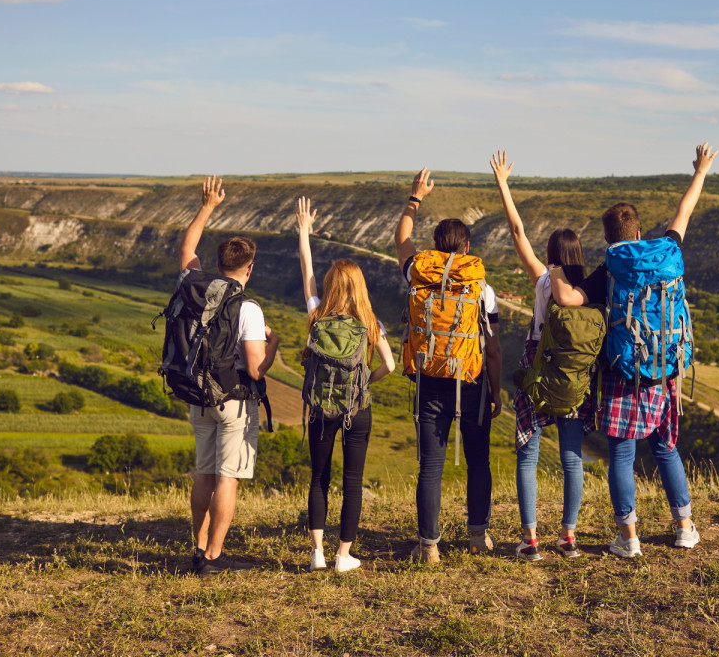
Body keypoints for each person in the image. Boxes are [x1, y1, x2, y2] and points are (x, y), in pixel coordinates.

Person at [549, 143, 718, 558]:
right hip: (665, 368)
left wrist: (554, 270)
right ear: (640, 232)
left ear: (609, 239)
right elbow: (685, 212)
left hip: (624, 372)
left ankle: (629, 539)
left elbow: (570, 301)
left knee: (622, 455)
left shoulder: (611, 268)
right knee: (666, 448)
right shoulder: (668, 251)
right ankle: (684, 527)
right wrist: (700, 171)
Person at [394, 167, 503, 562]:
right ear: (468, 246)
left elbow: (401, 239)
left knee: (431, 466)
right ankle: (477, 537)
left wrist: (415, 197)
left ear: (437, 247)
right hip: (471, 380)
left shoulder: (418, 277)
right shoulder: (481, 289)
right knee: (478, 461)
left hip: (429, 379)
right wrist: (496, 388)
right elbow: (491, 347)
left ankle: (429, 547)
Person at [490, 151, 593, 560]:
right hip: (573, 374)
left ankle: (530, 539)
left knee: (528, 453)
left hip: (537, 369)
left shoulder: (544, 281)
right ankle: (568, 537)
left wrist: (503, 183)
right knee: (572, 457)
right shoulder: (590, 288)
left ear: (552, 256)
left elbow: (517, 233)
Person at [178, 176, 280, 575]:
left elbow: (187, 248)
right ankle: (214, 558)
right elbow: (255, 368)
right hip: (233, 401)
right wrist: (275, 345)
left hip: (197, 393)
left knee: (203, 472)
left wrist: (208, 206)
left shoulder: (194, 285)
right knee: (228, 477)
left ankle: (198, 546)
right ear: (249, 269)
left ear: (218, 264)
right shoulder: (249, 309)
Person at [295, 197, 395, 573]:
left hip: (321, 407)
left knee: (318, 477)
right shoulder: (370, 321)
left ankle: (316, 552)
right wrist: (364, 382)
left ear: (330, 285)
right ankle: (343, 556)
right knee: (352, 481)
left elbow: (306, 271)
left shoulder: (317, 316)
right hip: (357, 410)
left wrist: (304, 231)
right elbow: (390, 364)